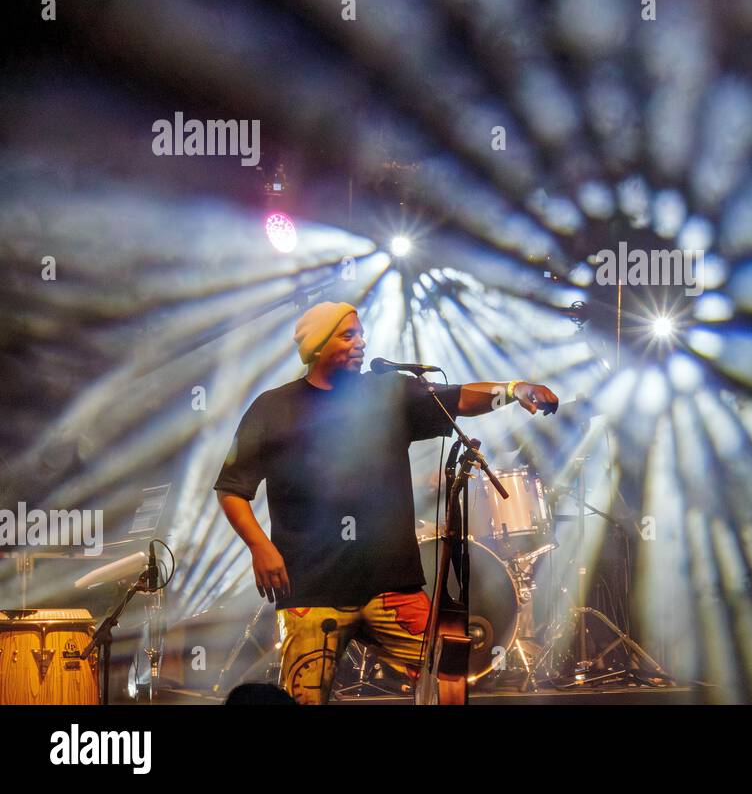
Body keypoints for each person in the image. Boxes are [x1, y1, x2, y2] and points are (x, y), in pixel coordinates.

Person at [213, 301, 559, 704]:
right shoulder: (272, 408)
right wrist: (260, 546)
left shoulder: (388, 392)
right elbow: (232, 488)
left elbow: (460, 397)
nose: (361, 342)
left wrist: (515, 390)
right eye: (347, 336)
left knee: (445, 680)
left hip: (392, 585)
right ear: (318, 347)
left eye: (360, 333)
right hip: (312, 588)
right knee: (305, 698)